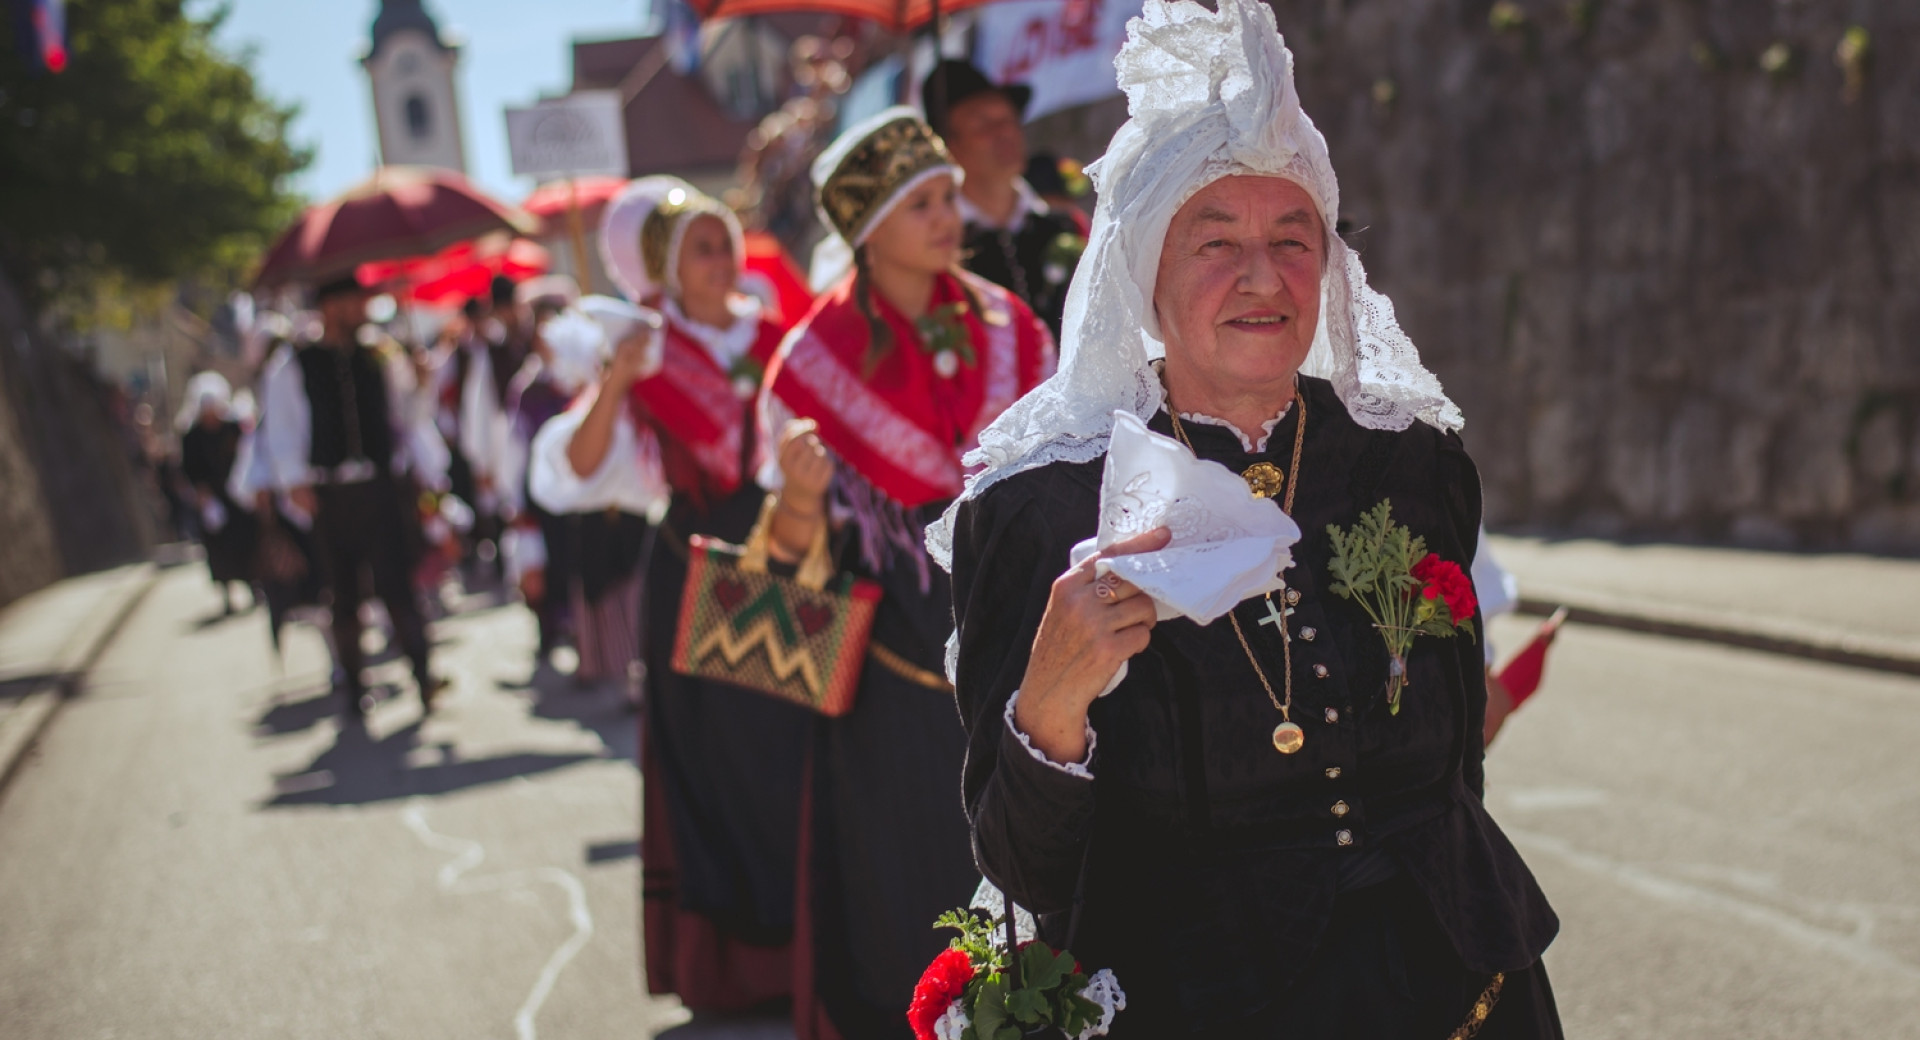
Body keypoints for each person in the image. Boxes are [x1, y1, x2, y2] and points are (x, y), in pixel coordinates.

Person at [931, 2, 1563, 1036]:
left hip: (1462, 984)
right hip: (1203, 998)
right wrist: (1049, 706)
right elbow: (1019, 862)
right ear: (1145, 271)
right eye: (1215, 240)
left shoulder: (1411, 458)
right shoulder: (1041, 506)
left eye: (1293, 237)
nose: (1263, 275)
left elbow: (1459, 768)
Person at [761, 108, 1056, 1038]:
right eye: (922, 201)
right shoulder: (807, 367)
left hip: (1020, 655)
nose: (949, 213)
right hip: (891, 688)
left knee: (1035, 881)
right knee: (908, 890)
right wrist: (804, 498)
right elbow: (777, 565)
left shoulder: (1012, 327)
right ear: (868, 229)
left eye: (945, 196)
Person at [558, 176, 808, 1013]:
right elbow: (582, 473)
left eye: (724, 235)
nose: (723, 251)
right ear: (663, 265)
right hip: (699, 566)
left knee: (798, 755)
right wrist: (619, 382)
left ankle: (812, 944)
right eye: (700, 243)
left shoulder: (779, 335)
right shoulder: (644, 352)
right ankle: (741, 967)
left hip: (786, 554)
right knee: (719, 765)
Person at [254, 275, 452, 718]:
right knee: (343, 594)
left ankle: (422, 675)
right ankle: (354, 687)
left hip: (381, 487)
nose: (363, 308)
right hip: (330, 493)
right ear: (330, 305)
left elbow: (409, 418)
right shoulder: (293, 364)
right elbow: (282, 428)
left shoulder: (383, 355)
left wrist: (421, 384)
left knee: (398, 586)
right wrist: (295, 481)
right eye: (353, 300)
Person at [921, 60, 1087, 341]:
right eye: (982, 124)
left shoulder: (1067, 226)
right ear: (948, 146)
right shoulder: (939, 247)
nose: (1004, 132)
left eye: (1008, 119)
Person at [177, 371, 258, 615]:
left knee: (247, 542)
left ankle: (256, 587)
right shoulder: (191, 437)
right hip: (211, 499)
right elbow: (188, 469)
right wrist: (201, 495)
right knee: (218, 550)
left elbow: (247, 456)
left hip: (238, 496)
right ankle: (227, 596)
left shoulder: (234, 429)